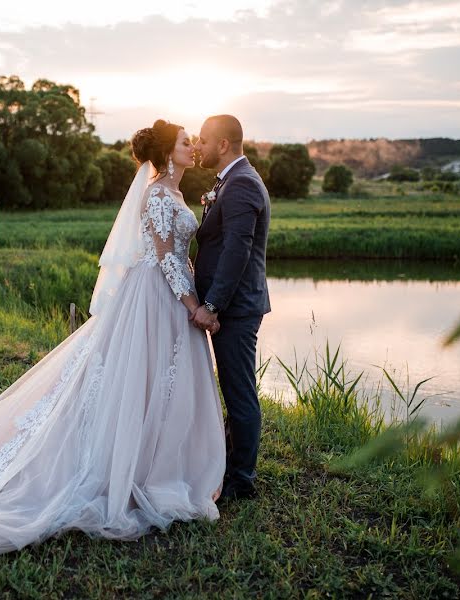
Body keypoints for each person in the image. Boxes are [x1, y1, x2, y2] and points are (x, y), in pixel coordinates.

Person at [0, 119, 226, 555]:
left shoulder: (176, 192)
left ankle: (161, 463)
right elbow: (166, 258)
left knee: (154, 381)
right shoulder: (157, 195)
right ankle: (132, 470)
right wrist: (192, 307)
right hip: (156, 297)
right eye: (186, 142)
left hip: (166, 294)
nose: (192, 147)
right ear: (168, 153)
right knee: (136, 377)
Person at [191, 115, 271, 502]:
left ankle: (242, 480)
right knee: (235, 387)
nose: (198, 147)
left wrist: (212, 305)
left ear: (223, 144)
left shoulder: (241, 184)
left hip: (236, 308)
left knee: (239, 391)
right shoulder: (231, 180)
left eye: (203, 140)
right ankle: (230, 464)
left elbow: (237, 252)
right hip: (232, 306)